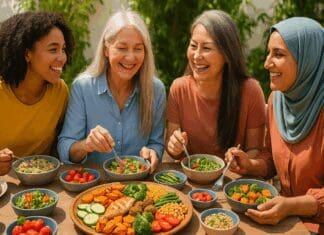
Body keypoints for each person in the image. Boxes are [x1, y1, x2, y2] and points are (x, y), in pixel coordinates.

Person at [226, 17, 323, 234]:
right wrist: (251, 165)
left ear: (307, 59)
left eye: (278, 54)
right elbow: (271, 157)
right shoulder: (276, 100)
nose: (266, 63)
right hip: (281, 219)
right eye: (268, 53)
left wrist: (292, 206)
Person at [57, 10, 166, 173]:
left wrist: (153, 152)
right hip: (94, 185)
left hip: (140, 185)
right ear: (106, 50)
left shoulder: (156, 90)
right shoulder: (83, 88)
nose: (130, 58)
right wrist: (87, 144)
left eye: (138, 49)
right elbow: (65, 148)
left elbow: (156, 143)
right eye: (122, 48)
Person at [166, 10, 266, 161]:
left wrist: (241, 160)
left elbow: (255, 150)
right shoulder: (178, 89)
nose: (197, 55)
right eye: (193, 45)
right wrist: (174, 146)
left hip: (234, 180)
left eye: (206, 48)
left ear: (227, 54)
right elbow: (173, 150)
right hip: (192, 180)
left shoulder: (251, 91)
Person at [0, 11, 74, 173]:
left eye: (63, 49)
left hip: (43, 188)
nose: (62, 57)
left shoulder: (60, 92)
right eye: (53, 50)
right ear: (27, 54)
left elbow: (61, 144)